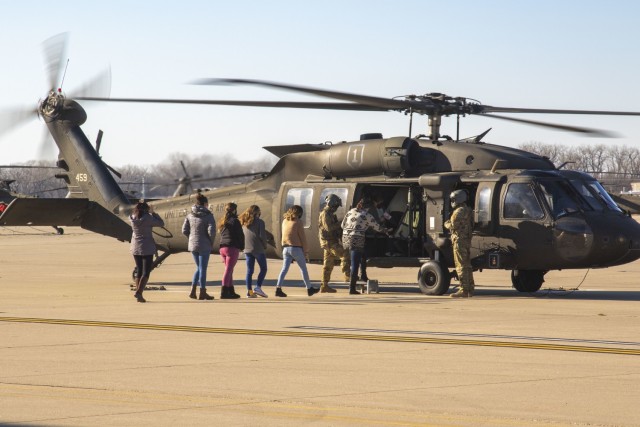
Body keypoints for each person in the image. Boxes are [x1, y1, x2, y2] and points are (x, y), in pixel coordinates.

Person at [341, 198, 388, 295]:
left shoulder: (350, 211)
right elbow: (377, 227)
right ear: (368, 207)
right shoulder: (366, 215)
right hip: (356, 240)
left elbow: (342, 225)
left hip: (345, 239)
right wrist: (385, 230)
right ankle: (352, 288)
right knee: (355, 264)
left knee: (363, 255)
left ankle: (363, 276)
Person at [275, 205, 319, 297]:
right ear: (299, 213)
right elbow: (302, 237)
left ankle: (278, 288)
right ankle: (309, 288)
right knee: (303, 269)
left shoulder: (284, 221)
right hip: (295, 248)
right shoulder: (298, 222)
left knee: (284, 269)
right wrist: (306, 250)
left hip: (285, 248)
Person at [182, 193, 216, 301]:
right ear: (205, 204)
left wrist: (191, 238)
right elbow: (212, 231)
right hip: (204, 244)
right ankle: (202, 292)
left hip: (193, 245)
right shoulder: (208, 215)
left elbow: (184, 230)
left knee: (198, 268)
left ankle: (192, 291)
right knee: (203, 269)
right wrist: (211, 241)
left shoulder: (190, 215)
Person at [129, 201, 164, 303]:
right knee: (146, 272)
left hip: (135, 246)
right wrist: (153, 213)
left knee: (139, 270)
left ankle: (139, 293)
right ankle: (139, 292)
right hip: (147, 246)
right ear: (146, 209)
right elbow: (161, 223)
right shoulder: (148, 218)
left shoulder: (132, 217)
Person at [444, 189, 475, 298]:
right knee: (467, 265)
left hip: (459, 241)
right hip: (466, 240)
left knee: (460, 265)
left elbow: (452, 226)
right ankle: (470, 288)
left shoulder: (458, 212)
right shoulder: (468, 210)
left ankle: (463, 290)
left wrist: (446, 223)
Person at [318, 194, 350, 293]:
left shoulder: (330, 214)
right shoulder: (325, 214)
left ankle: (324, 285)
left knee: (328, 265)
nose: (336, 208)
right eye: (336, 206)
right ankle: (348, 275)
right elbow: (329, 228)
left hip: (329, 241)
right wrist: (341, 223)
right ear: (332, 204)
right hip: (329, 242)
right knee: (345, 253)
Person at [239, 205, 268, 298]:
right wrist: (265, 245)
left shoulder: (244, 222)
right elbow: (262, 236)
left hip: (247, 249)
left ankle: (249, 291)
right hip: (258, 248)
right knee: (263, 268)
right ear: (257, 212)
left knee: (249, 271)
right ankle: (258, 287)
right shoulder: (260, 222)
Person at [218, 202, 244, 299]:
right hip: (231, 248)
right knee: (228, 270)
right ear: (234, 210)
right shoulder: (235, 221)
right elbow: (240, 235)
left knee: (229, 270)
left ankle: (230, 290)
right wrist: (242, 246)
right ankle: (224, 291)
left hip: (222, 248)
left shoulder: (223, 221)